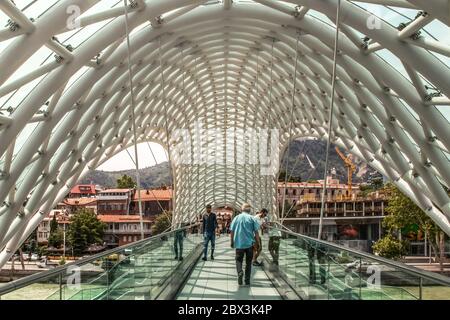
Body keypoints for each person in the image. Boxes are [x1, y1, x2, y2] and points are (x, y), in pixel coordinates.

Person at [230, 203, 260, 286]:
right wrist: (258, 242)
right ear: (249, 210)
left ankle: (240, 272)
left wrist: (232, 241)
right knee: (248, 263)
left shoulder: (236, 218)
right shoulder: (252, 218)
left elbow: (232, 231)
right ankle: (247, 280)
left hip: (239, 244)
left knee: (238, 260)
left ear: (241, 209)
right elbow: (256, 232)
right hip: (249, 244)